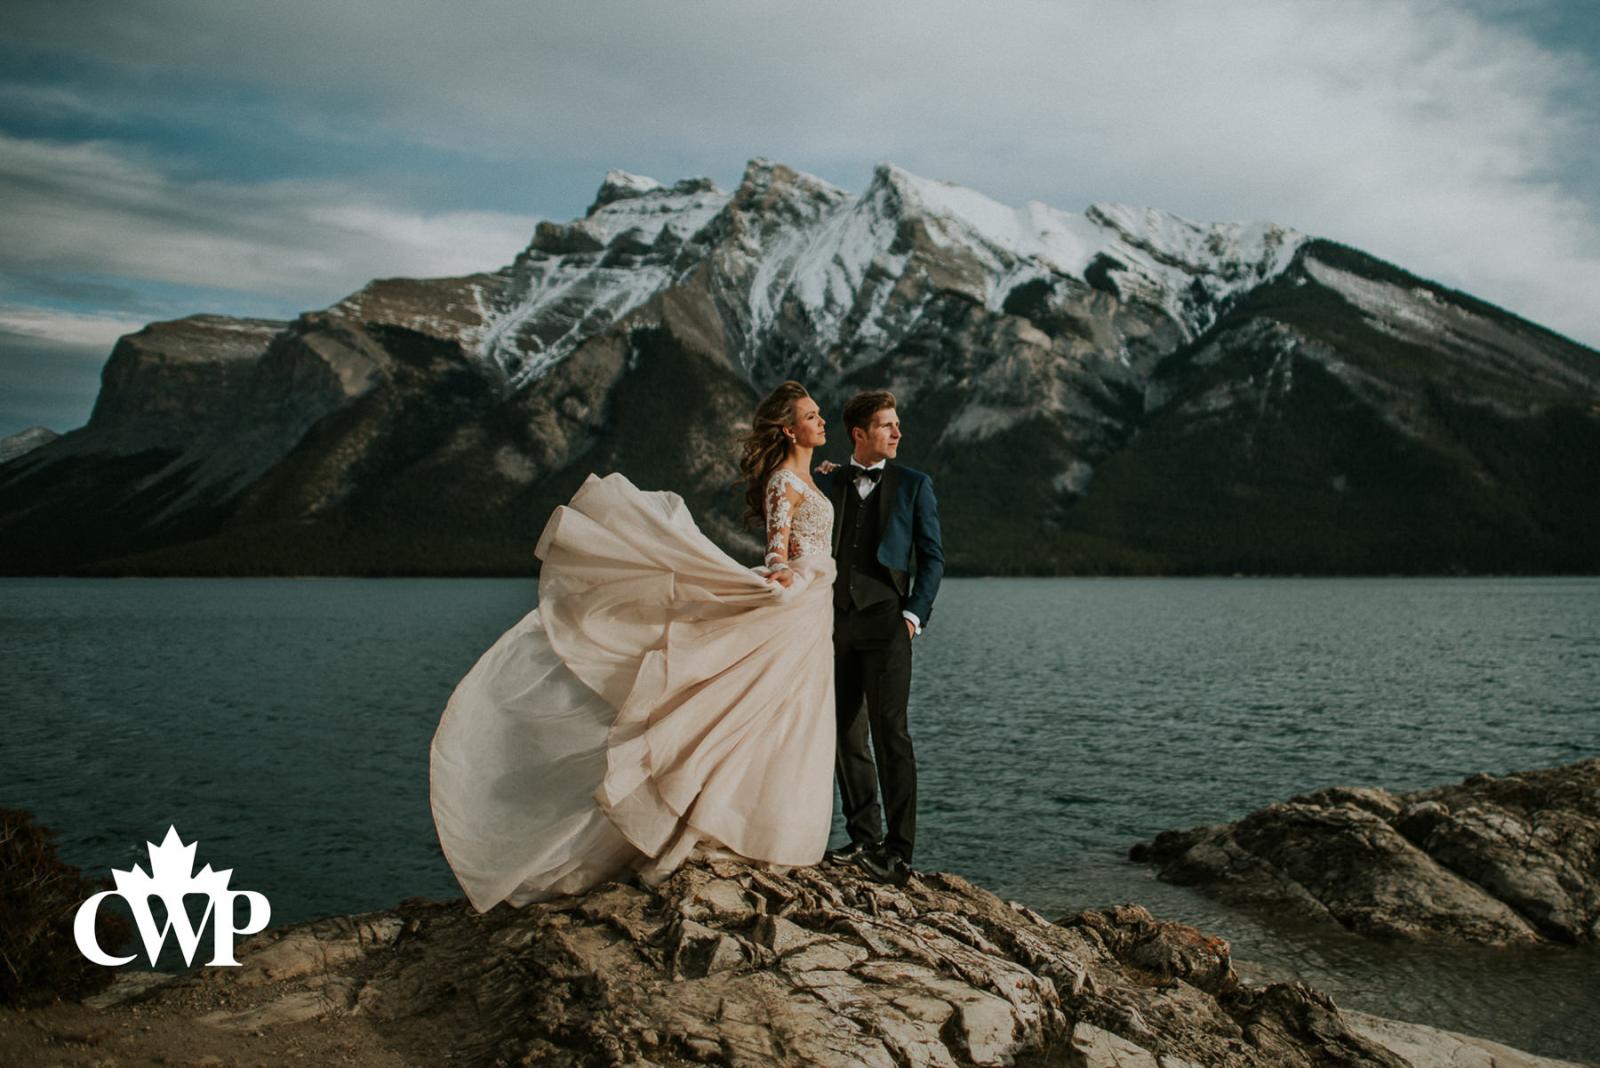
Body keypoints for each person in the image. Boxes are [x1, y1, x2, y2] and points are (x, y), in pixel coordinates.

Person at [428, 382, 837, 911]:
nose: (821, 420)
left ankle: (766, 826)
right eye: (812, 415)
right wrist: (787, 579)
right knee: (757, 714)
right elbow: (778, 552)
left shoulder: (810, 477)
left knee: (790, 715)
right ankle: (717, 824)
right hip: (799, 603)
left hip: (814, 609)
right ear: (790, 429)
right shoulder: (784, 481)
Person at [814, 390, 943, 887]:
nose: (897, 433)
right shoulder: (830, 482)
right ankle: (863, 836)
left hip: (889, 625)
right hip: (835, 625)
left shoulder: (915, 485)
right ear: (859, 434)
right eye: (887, 425)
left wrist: (914, 614)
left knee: (892, 736)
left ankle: (899, 851)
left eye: (897, 424)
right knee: (845, 734)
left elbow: (932, 558)